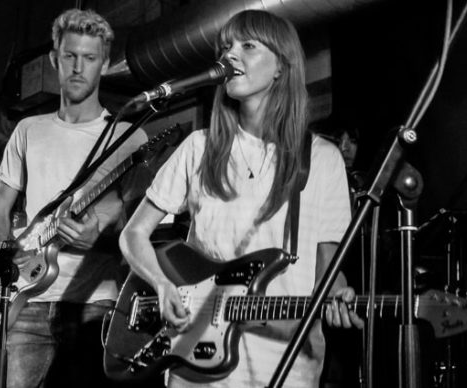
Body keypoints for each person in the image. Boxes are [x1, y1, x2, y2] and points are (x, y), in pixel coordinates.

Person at [119, 9, 363, 388]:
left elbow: (327, 272)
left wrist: (339, 295)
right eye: (226, 46)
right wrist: (162, 284)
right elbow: (133, 235)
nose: (230, 55)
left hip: (286, 365)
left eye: (248, 46)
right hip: (196, 362)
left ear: (282, 66)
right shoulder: (198, 148)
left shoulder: (322, 159)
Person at [0, 8, 148, 388]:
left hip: (95, 304)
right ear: (55, 60)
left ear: (104, 65)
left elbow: (142, 232)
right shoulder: (28, 130)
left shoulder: (128, 139)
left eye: (89, 58)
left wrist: (100, 240)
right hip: (27, 302)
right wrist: (8, 251)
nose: (78, 67)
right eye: (70, 56)